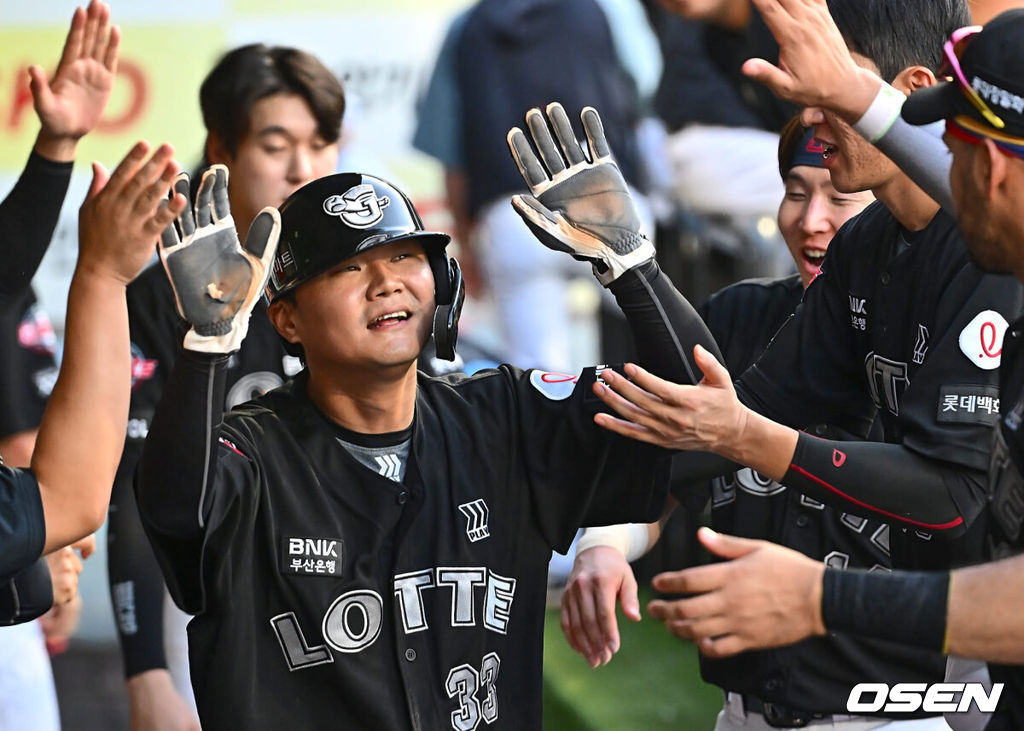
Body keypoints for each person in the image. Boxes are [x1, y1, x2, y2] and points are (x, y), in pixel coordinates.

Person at [133, 104, 721, 730]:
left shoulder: (507, 415)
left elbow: (702, 418)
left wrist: (632, 265)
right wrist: (207, 346)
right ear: (288, 320)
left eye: (404, 258)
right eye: (346, 268)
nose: (385, 282)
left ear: (440, 280)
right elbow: (175, 512)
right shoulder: (250, 451)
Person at [626, 3, 1024, 728]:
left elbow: (953, 496)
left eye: (957, 145)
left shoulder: (984, 264)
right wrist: (608, 528)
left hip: (926, 681)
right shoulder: (869, 247)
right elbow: (749, 404)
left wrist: (815, 593)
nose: (943, 166)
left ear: (993, 167)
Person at [564, 119, 952, 729]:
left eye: (840, 197)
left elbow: (959, 500)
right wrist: (605, 545)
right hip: (745, 713)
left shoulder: (941, 338)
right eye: (796, 192)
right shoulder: (737, 318)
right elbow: (667, 462)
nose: (812, 218)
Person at [104, 42, 345, 730]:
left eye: (322, 142)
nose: (304, 168)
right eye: (277, 144)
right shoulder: (158, 301)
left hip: (359, 594)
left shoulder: (361, 283)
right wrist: (146, 668)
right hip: (215, 606)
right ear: (222, 146)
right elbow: (137, 483)